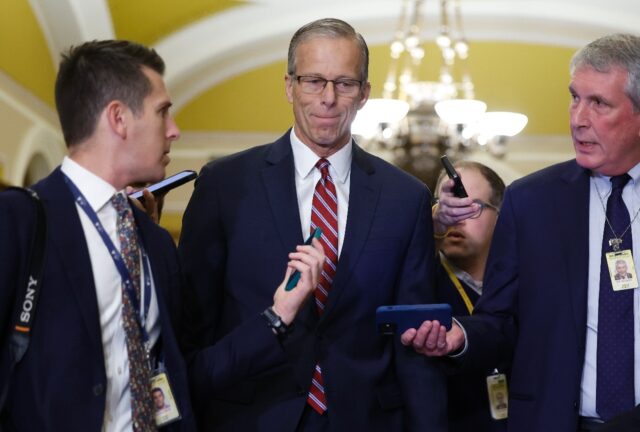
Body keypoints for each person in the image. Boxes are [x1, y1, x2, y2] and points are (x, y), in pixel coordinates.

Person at [178, 17, 446, 431]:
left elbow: (412, 344)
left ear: (364, 95)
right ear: (289, 86)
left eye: (345, 83)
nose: (328, 98)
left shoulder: (405, 198)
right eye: (313, 81)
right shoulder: (225, 185)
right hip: (250, 416)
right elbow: (192, 332)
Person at [401, 33, 640, 431]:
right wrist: (460, 336)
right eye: (574, 97)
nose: (578, 118)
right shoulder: (531, 201)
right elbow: (500, 319)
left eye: (599, 103)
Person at [0, 40, 198, 432]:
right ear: (119, 119)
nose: (174, 131)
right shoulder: (18, 221)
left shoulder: (155, 243)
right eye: (163, 112)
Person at [432, 161, 507, 432]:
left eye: (471, 207)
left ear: (501, 216)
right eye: (448, 205)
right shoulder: (421, 281)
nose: (456, 217)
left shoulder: (521, 284)